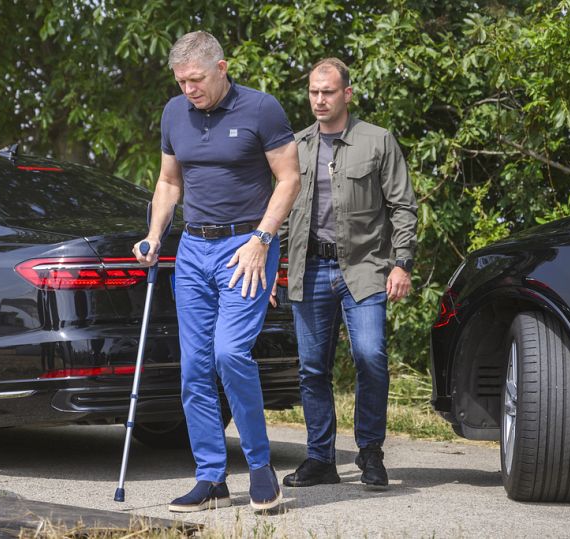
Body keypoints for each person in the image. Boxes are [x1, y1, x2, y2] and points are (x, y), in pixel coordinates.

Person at [133, 31, 300, 512]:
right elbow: (168, 182)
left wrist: (262, 241)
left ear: (222, 68)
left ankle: (261, 466)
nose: (189, 89)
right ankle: (211, 479)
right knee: (195, 369)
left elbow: (289, 179)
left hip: (246, 246)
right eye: (181, 81)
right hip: (192, 250)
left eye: (197, 79)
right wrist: (154, 233)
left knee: (230, 354)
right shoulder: (173, 113)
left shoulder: (262, 109)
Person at [277, 58, 418, 490]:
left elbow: (403, 206)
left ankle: (370, 454)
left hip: (365, 269)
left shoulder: (377, 141)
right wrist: (267, 268)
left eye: (328, 92)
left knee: (371, 357)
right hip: (309, 269)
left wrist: (402, 263)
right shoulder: (296, 145)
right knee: (312, 369)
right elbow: (280, 214)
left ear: (347, 94)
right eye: (314, 93)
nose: (319, 100)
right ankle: (321, 459)